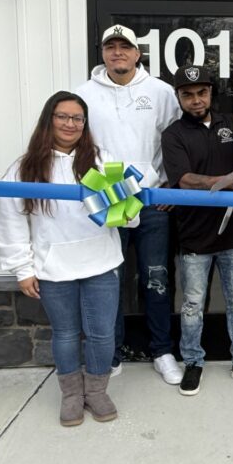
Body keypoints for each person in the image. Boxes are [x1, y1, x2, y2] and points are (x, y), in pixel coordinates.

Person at [0, 92, 124, 426]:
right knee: (65, 334)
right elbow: (11, 221)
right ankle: (71, 395)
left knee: (102, 334)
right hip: (53, 267)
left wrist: (124, 204)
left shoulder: (102, 160)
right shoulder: (24, 168)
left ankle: (96, 391)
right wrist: (23, 269)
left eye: (78, 118)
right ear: (48, 120)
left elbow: (127, 214)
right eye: (62, 116)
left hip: (100, 262)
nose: (70, 124)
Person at [76, 24, 183, 385]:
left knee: (156, 277)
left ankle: (162, 351)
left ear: (138, 53)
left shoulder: (161, 92)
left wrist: (170, 185)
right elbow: (77, 144)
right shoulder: (83, 94)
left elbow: (176, 140)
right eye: (111, 46)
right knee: (110, 279)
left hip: (151, 200)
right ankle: (111, 351)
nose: (118, 52)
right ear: (103, 53)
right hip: (108, 198)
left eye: (125, 46)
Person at [160, 65, 233, 396]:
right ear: (179, 97)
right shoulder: (173, 134)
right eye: (188, 95)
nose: (196, 100)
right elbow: (184, 179)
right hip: (194, 234)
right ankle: (193, 361)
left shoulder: (232, 124)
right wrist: (225, 181)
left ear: (211, 93)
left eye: (202, 93)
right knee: (193, 304)